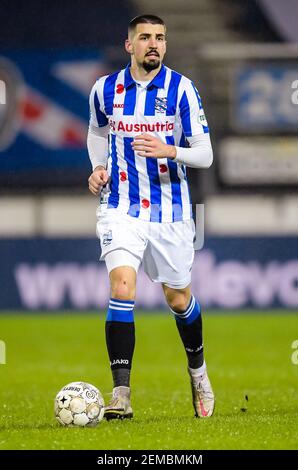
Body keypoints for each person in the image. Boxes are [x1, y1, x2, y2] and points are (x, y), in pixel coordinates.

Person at [87, 14, 214, 419]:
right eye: (145, 37)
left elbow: (206, 155)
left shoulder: (183, 90)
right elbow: (97, 131)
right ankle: (120, 394)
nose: (153, 44)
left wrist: (170, 150)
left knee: (178, 298)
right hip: (120, 205)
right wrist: (97, 168)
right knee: (122, 286)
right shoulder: (105, 89)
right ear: (130, 45)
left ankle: (198, 371)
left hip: (172, 211)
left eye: (159, 37)